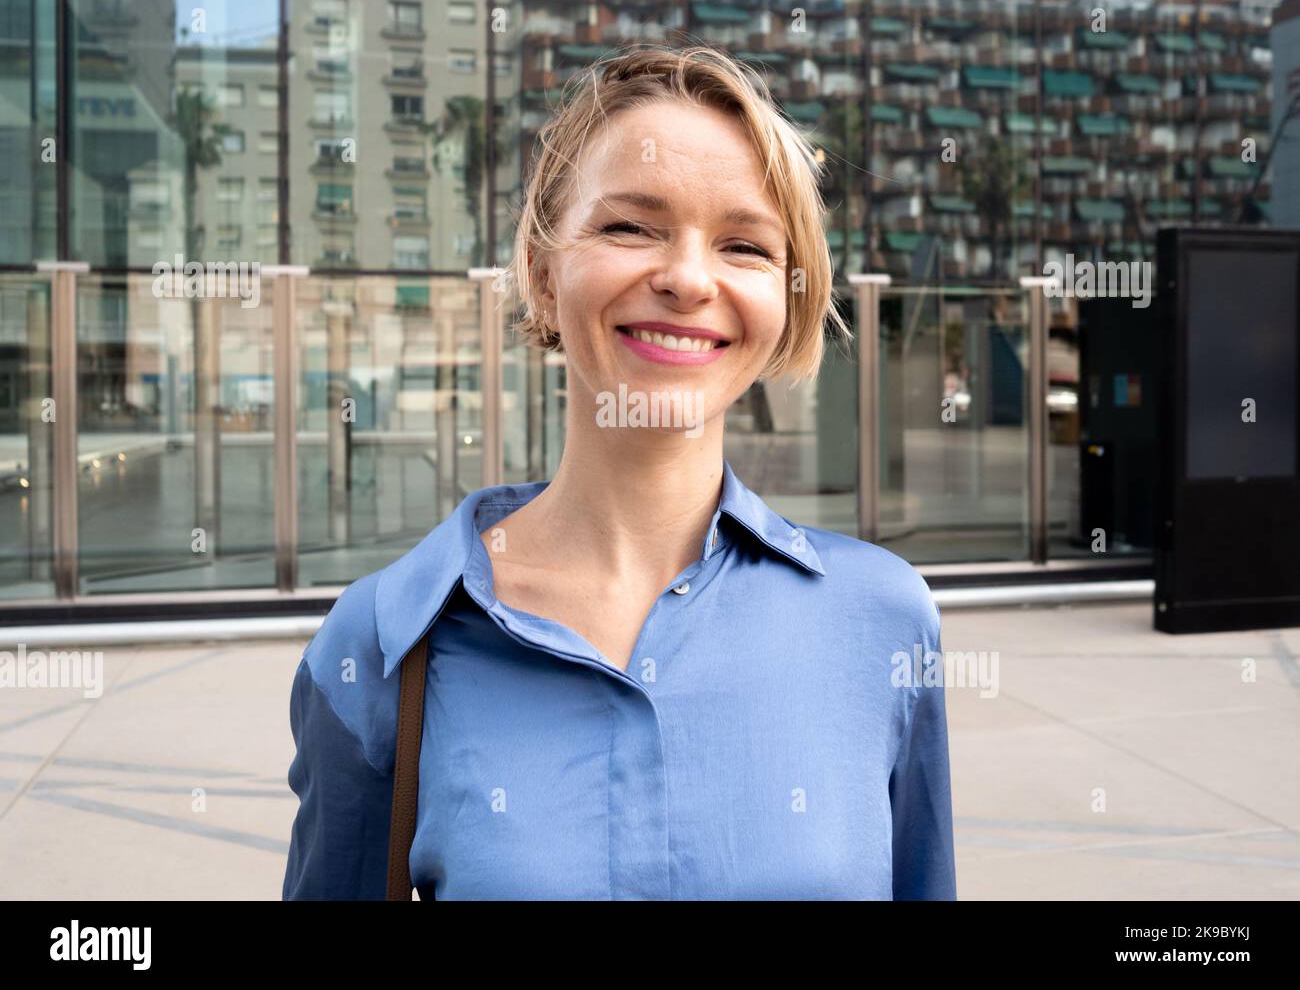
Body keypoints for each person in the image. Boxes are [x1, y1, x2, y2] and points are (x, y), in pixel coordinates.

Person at [282, 44, 956, 900]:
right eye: (629, 227)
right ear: (541, 273)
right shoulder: (381, 641)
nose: (687, 279)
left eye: (743, 245)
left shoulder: (885, 621)